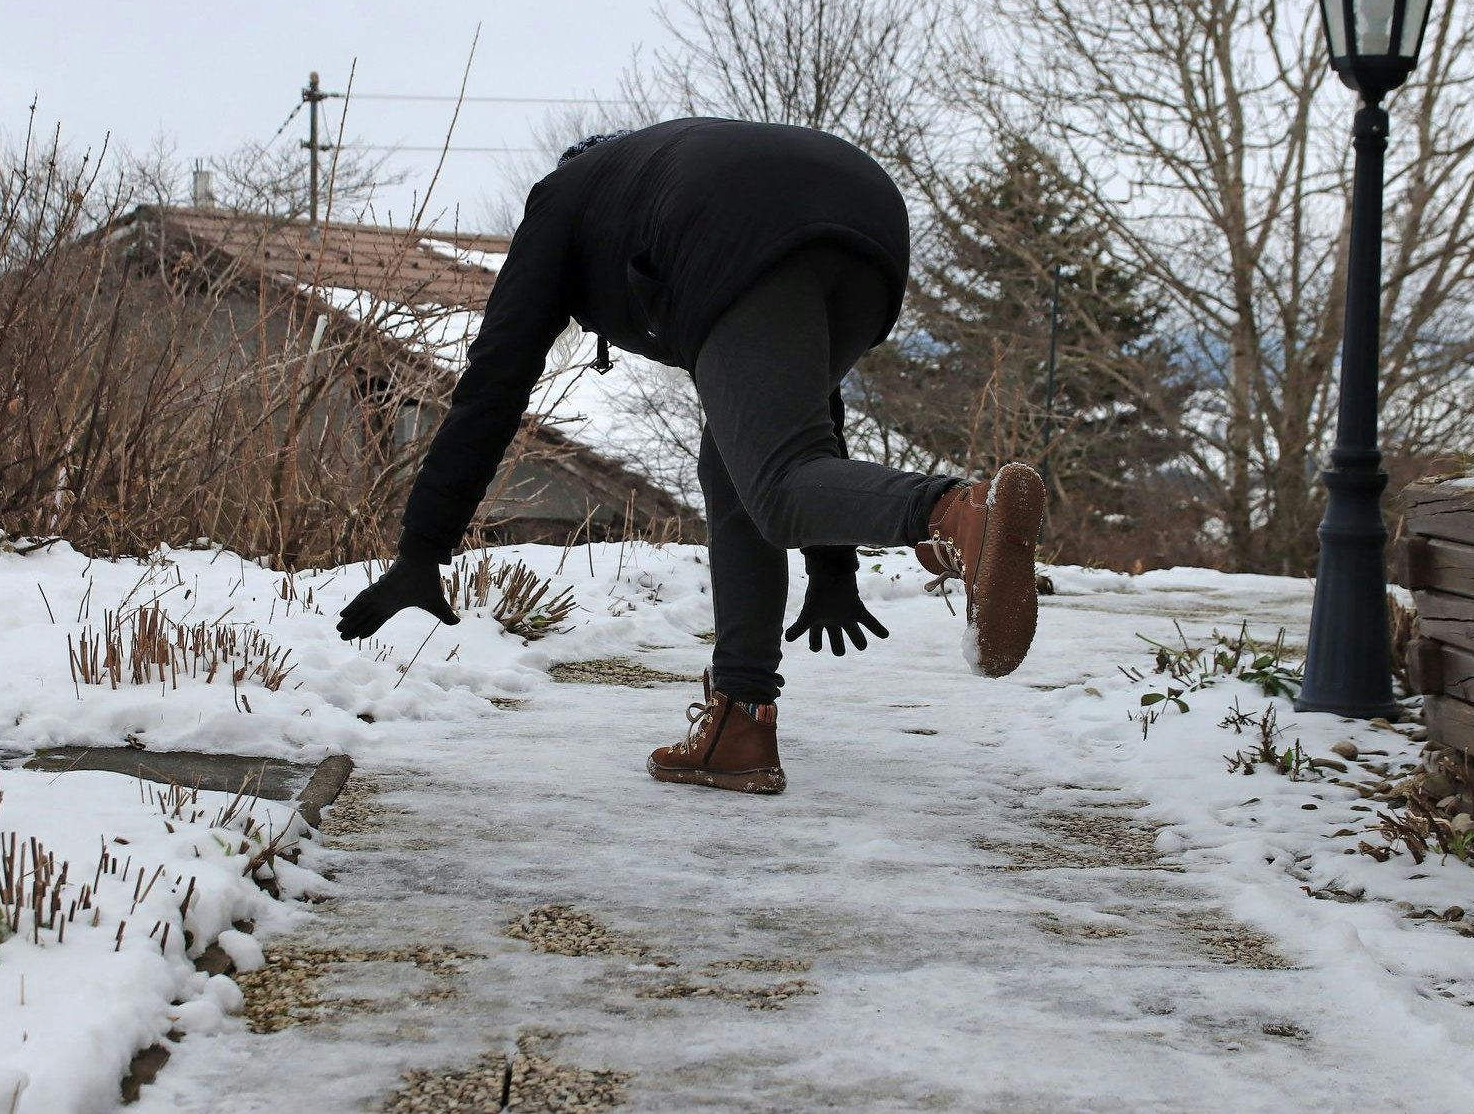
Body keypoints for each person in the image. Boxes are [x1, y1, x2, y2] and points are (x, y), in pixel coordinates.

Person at [334, 118, 1045, 796]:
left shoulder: (563, 200)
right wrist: (832, 565)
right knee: (739, 465)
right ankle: (739, 725)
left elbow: (493, 382)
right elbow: (805, 410)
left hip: (739, 223)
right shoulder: (651, 175)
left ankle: (959, 512)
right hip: (870, 219)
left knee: (774, 486)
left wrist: (421, 549)